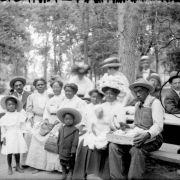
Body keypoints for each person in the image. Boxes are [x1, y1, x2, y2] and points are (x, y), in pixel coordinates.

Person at [109, 78, 164, 180]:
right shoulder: (138, 104)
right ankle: (117, 178)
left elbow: (159, 125)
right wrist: (127, 126)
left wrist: (147, 134)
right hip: (139, 135)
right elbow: (136, 124)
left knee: (136, 149)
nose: (137, 94)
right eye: (136, 92)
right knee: (113, 146)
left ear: (147, 91)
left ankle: (134, 178)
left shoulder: (155, 103)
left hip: (154, 138)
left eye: (140, 91)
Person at [73, 75, 126, 180]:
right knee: (85, 143)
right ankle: (82, 174)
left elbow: (120, 125)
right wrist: (94, 130)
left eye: (111, 93)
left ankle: (97, 174)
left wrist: (110, 125)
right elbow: (96, 120)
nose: (109, 95)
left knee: (99, 145)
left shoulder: (119, 106)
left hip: (112, 133)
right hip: (100, 131)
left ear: (116, 94)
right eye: (107, 93)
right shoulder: (103, 105)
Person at [23, 78, 49, 172]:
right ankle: (29, 162)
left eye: (42, 84)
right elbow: (29, 110)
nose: (40, 86)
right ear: (35, 86)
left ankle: (43, 164)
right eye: (38, 85)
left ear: (45, 85)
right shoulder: (32, 96)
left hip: (47, 119)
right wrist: (32, 121)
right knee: (30, 134)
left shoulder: (49, 95)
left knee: (43, 137)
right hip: (36, 119)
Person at [0, 96, 27, 175]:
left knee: (17, 151)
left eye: (13, 104)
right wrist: (3, 137)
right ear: (6, 106)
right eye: (9, 104)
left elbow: (23, 126)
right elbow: (3, 129)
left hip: (18, 134)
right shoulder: (4, 117)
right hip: (9, 135)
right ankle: (9, 167)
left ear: (16, 105)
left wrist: (23, 134)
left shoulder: (19, 115)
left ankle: (18, 165)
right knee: (10, 151)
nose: (11, 106)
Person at [43, 79, 65, 172]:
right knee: (48, 139)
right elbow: (46, 111)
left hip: (60, 120)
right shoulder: (50, 99)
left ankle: (59, 166)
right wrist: (46, 120)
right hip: (51, 120)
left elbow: (64, 111)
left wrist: (58, 122)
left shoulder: (64, 98)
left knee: (56, 139)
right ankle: (51, 166)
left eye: (58, 87)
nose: (56, 89)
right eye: (54, 87)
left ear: (61, 87)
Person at [57, 108, 81, 180]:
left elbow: (75, 141)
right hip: (62, 148)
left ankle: (71, 172)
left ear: (73, 120)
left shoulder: (75, 130)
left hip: (69, 149)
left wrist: (73, 150)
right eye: (66, 119)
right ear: (63, 120)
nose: (68, 121)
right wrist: (58, 148)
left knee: (71, 162)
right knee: (62, 162)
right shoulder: (61, 129)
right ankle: (64, 173)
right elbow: (58, 139)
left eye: (70, 119)